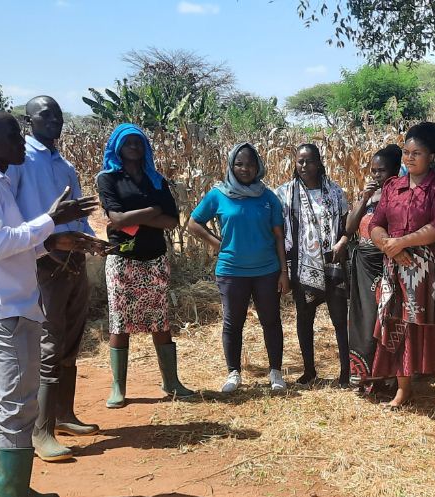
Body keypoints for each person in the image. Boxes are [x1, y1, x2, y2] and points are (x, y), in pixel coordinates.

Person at [0, 109, 97, 497]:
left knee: (4, 403)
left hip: (14, 302)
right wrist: (50, 222)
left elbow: (14, 242)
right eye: (13, 135)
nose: (21, 142)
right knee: (18, 403)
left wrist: (49, 241)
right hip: (2, 306)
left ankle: (4, 493)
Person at [5, 95, 103, 463]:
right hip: (42, 260)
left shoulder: (65, 165)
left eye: (58, 116)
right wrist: (43, 244)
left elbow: (77, 214)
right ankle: (40, 431)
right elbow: (12, 217)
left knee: (70, 336)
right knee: (48, 341)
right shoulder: (18, 162)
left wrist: (91, 242)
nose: (54, 121)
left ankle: (64, 415)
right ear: (28, 120)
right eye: (45, 116)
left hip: (73, 260)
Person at [97, 123, 196, 409]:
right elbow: (116, 220)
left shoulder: (156, 179)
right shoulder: (108, 178)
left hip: (154, 257)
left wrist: (136, 217)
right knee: (119, 322)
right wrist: (152, 211)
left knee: (160, 320)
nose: (134, 148)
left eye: (139, 143)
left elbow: (171, 221)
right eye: (128, 143)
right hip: (122, 258)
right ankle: (118, 388)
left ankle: (171, 381)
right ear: (117, 146)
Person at [369, 122, 435, 408]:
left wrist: (402, 242)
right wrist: (389, 246)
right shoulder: (392, 186)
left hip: (432, 273)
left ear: (432, 156)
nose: (409, 158)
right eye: (406, 152)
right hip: (396, 267)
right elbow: (376, 223)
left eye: (416, 153)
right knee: (398, 325)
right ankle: (403, 390)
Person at [186, 144, 288, 393]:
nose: (245, 169)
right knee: (233, 323)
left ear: (258, 166)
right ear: (231, 165)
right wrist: (216, 243)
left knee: (271, 321)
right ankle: (234, 373)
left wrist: (284, 272)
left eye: (250, 164)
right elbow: (193, 222)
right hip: (231, 270)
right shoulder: (218, 195)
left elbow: (278, 237)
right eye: (239, 164)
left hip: (266, 269)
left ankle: (275, 372)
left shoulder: (268, 197)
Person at [275, 144, 350, 387]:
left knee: (340, 320)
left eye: (309, 161)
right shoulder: (285, 194)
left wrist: (342, 242)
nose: (304, 166)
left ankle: (346, 373)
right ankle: (309, 371)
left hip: (333, 265)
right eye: (300, 161)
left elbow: (347, 226)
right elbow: (278, 230)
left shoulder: (336, 192)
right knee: (305, 319)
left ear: (319, 163)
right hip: (303, 266)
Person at [346, 145, 402, 391]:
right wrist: (364, 199)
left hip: (387, 264)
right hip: (363, 265)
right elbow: (349, 228)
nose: (377, 176)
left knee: (386, 317)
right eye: (373, 171)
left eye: (382, 171)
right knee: (364, 318)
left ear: (394, 171)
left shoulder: (401, 195)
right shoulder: (366, 196)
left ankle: (389, 376)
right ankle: (364, 375)